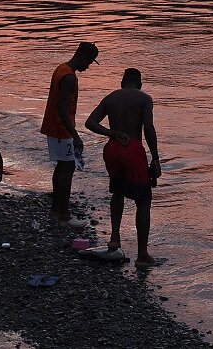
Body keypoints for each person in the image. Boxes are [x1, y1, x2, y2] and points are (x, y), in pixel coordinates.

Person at [85, 67, 163, 266]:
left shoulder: (111, 97)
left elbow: (90, 122)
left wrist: (112, 133)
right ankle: (143, 255)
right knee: (143, 200)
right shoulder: (144, 99)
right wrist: (155, 157)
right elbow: (149, 128)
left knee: (118, 192)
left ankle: (114, 239)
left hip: (112, 149)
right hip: (133, 149)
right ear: (140, 84)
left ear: (121, 82)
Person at [40, 40, 99, 228]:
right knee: (67, 170)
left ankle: (55, 211)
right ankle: (63, 215)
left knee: (61, 169)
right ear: (82, 57)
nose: (88, 67)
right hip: (61, 129)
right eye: (89, 62)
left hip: (53, 127)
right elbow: (63, 109)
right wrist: (75, 135)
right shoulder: (69, 78)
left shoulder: (61, 69)